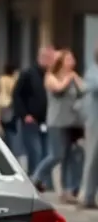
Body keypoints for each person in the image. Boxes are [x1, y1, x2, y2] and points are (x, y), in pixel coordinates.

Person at [32, 48, 83, 200]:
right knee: (56, 155)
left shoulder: (74, 77)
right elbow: (58, 88)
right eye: (69, 59)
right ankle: (36, 177)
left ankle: (68, 189)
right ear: (61, 62)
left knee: (71, 156)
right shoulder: (50, 77)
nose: (72, 62)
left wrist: (75, 78)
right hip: (56, 122)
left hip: (72, 123)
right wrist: (69, 79)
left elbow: (84, 90)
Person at [13, 46, 53, 175]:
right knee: (36, 151)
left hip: (47, 120)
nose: (49, 61)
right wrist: (24, 115)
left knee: (47, 152)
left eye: (50, 58)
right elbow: (17, 95)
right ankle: (35, 179)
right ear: (39, 57)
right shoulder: (28, 74)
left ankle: (42, 181)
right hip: (31, 120)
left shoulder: (51, 76)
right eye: (46, 57)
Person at [80, 47, 98, 208]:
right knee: (92, 158)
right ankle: (88, 196)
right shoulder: (93, 72)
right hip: (94, 122)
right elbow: (91, 87)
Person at [0, 61, 19, 151]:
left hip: (0, 105)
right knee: (10, 129)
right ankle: (9, 149)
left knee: (1, 128)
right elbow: (14, 93)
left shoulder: (1, 79)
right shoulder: (13, 81)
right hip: (9, 105)